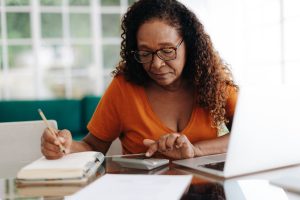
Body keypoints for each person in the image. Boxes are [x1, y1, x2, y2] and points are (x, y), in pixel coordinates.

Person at [41, 0, 238, 160]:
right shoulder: (124, 87)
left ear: (190, 45)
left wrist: (197, 151)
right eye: (145, 53)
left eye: (167, 51)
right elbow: (92, 146)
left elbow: (248, 134)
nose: (157, 64)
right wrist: (65, 145)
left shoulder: (212, 80)